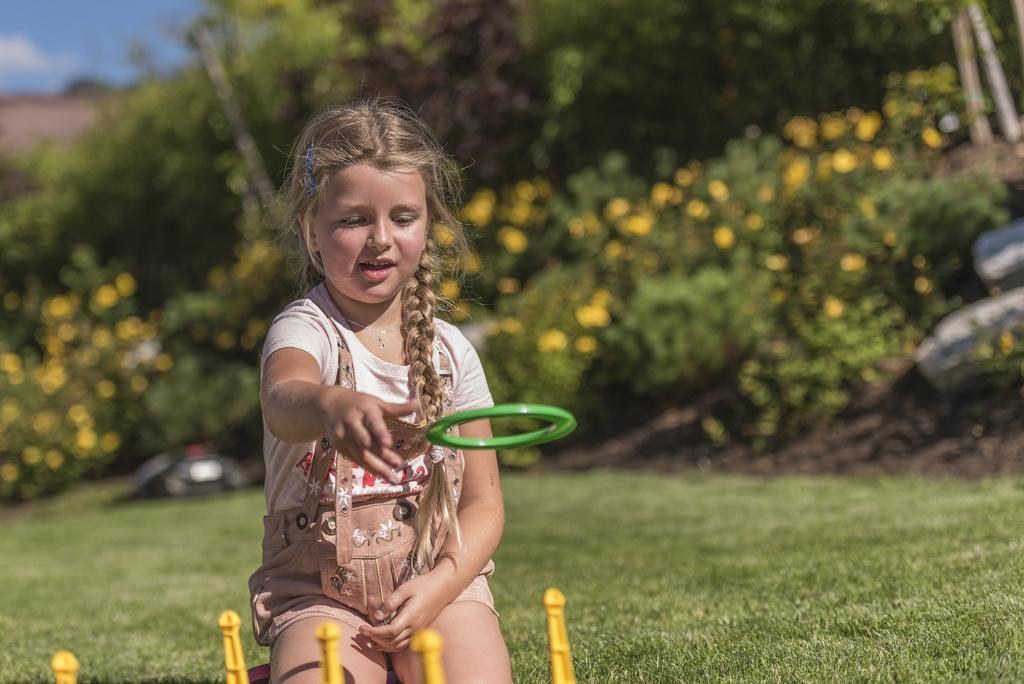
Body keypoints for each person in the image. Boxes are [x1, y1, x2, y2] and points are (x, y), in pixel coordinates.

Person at [248, 98, 512, 683]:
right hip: (320, 595)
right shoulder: (305, 329)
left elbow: (483, 504)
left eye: (403, 217)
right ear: (311, 230)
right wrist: (331, 405)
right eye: (352, 220)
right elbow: (283, 399)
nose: (380, 239)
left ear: (427, 223)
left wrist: (442, 584)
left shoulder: (449, 350)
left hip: (435, 579)